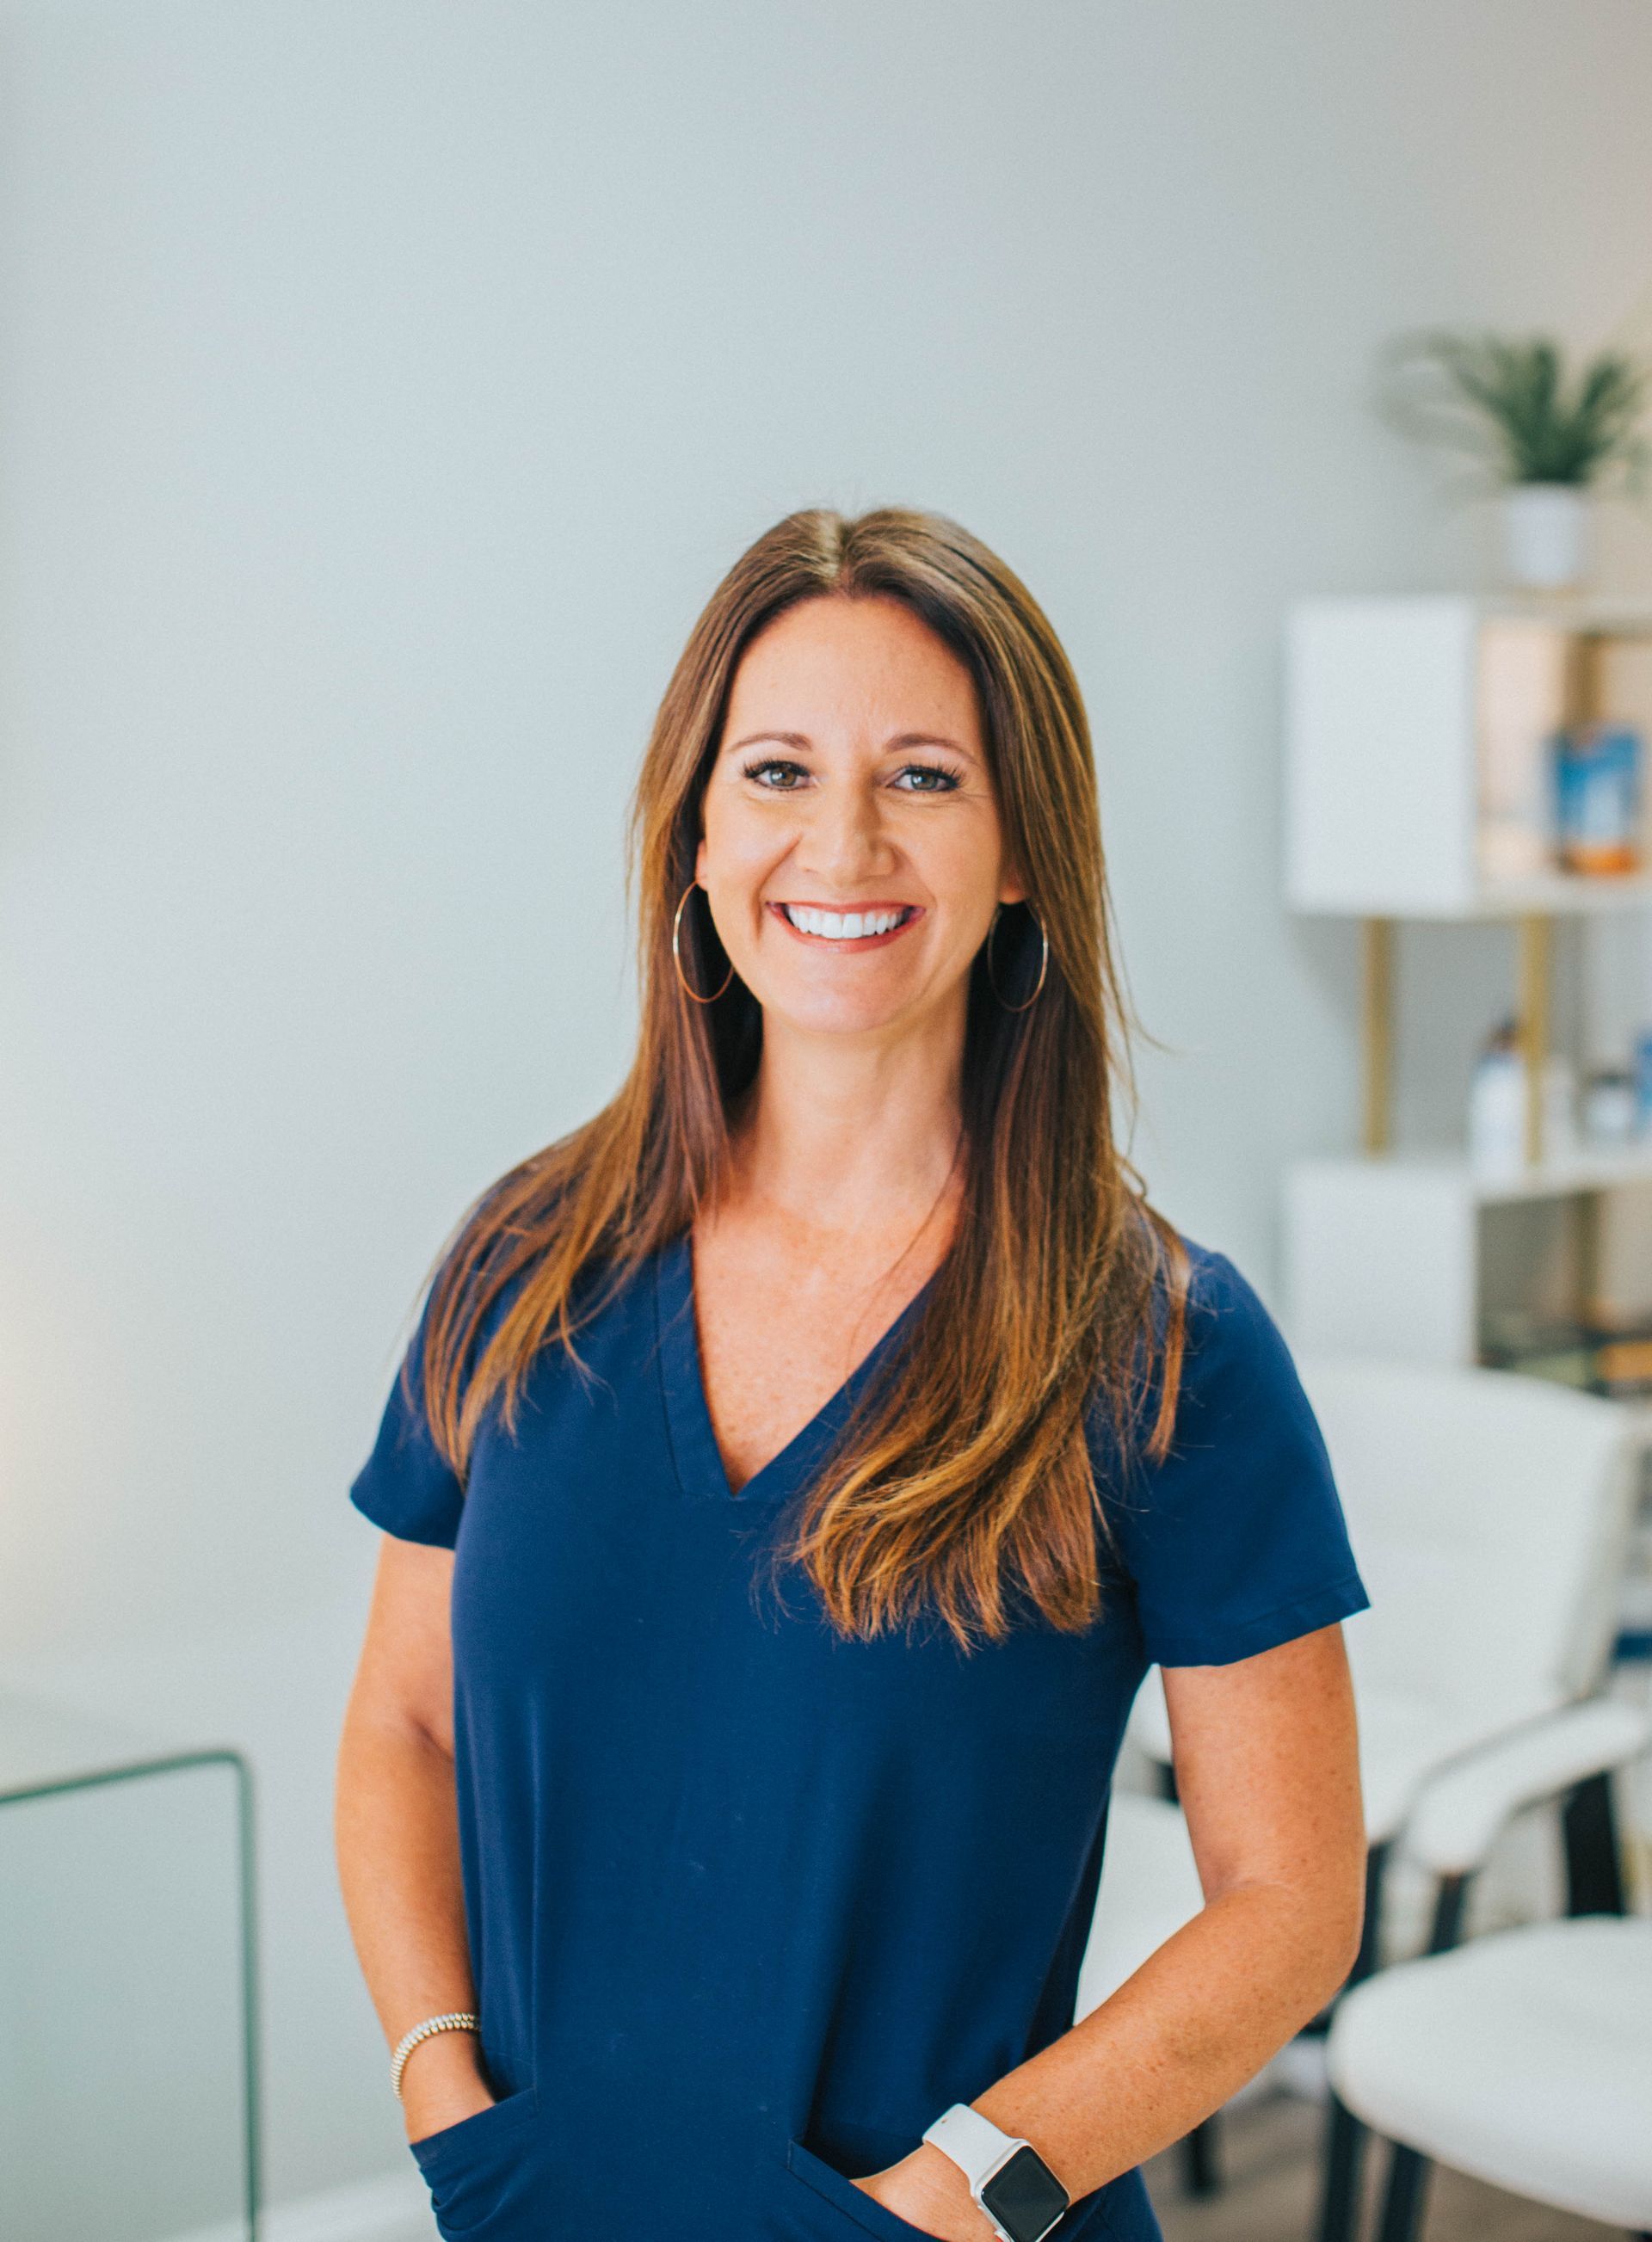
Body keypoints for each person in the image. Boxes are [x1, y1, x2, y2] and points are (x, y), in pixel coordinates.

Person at [334, 505, 1369, 2242]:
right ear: (696, 827)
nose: (844, 842)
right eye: (779, 771)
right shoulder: (521, 1265)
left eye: (924, 777)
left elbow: (1289, 1899)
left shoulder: (1167, 1346)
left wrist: (960, 2198)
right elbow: (404, 1723)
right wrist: (443, 2089)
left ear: (1024, 843)